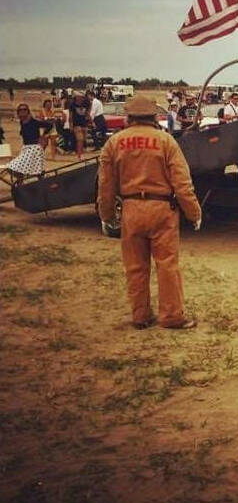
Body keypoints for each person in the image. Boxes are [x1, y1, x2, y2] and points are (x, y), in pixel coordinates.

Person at [97, 97, 202, 330]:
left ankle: (141, 316)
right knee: (167, 265)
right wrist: (193, 213)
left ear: (128, 117)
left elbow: (105, 186)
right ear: (155, 117)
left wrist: (106, 215)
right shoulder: (166, 142)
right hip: (161, 210)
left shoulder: (114, 143)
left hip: (131, 210)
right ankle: (172, 316)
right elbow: (183, 184)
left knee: (135, 266)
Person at [3, 104, 52, 178]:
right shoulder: (22, 122)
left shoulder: (33, 122)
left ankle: (40, 181)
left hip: (34, 148)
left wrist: (43, 136)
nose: (22, 111)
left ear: (28, 111)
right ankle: (21, 182)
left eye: (24, 109)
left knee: (16, 166)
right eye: (20, 110)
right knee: (21, 168)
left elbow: (49, 125)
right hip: (26, 148)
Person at [70, 93, 92, 160]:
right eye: (80, 97)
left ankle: (81, 153)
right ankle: (79, 155)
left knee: (83, 140)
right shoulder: (72, 105)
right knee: (80, 139)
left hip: (83, 123)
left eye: (82, 97)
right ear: (76, 97)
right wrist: (71, 125)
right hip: (76, 124)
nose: (81, 99)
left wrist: (90, 121)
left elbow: (87, 114)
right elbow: (70, 116)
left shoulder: (85, 104)